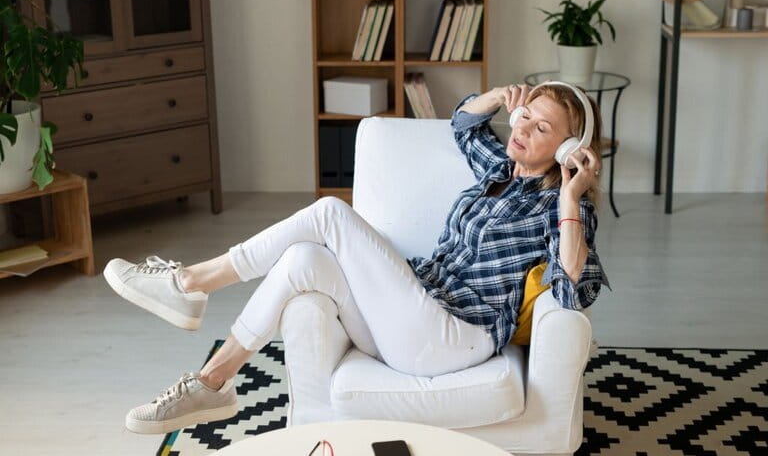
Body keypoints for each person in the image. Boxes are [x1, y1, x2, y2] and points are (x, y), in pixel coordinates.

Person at [104, 81, 610, 435]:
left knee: (329, 212)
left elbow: (571, 287)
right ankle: (211, 383)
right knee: (304, 258)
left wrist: (571, 196)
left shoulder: (560, 206)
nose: (523, 128)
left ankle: (190, 283)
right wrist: (499, 97)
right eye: (525, 116)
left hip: (455, 336)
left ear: (568, 147)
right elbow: (463, 124)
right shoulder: (499, 168)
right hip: (413, 320)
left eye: (543, 128)